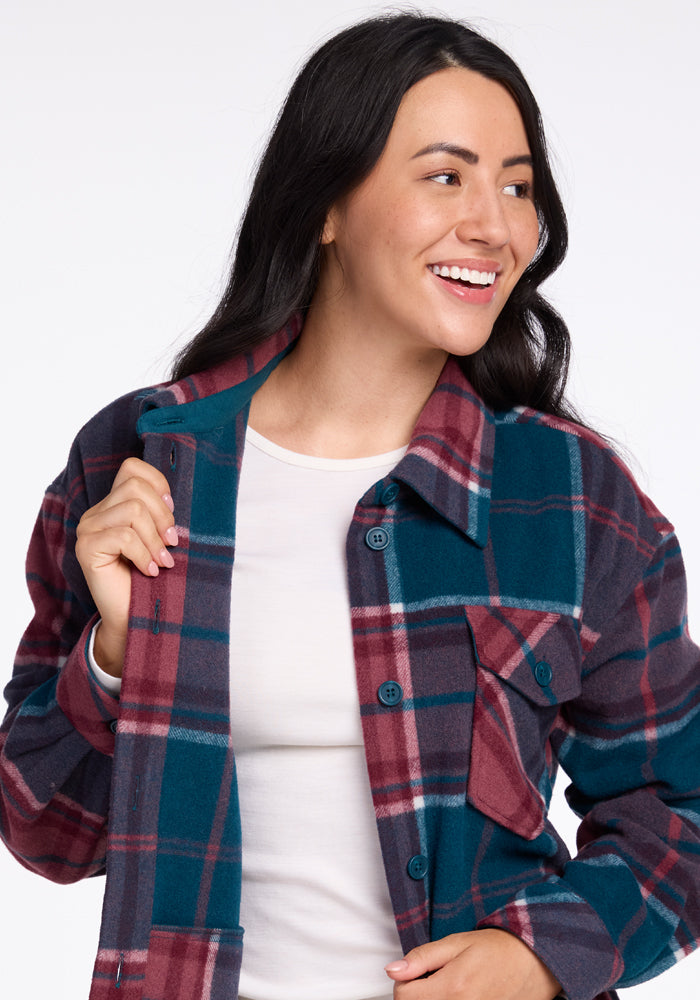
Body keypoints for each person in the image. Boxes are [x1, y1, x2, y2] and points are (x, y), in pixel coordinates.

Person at [1, 11, 699, 1000]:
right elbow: (47, 831)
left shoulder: (574, 501)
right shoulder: (139, 460)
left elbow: (679, 817)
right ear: (323, 201)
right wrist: (112, 657)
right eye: (445, 175)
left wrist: (540, 954)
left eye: (516, 185)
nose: (494, 224)